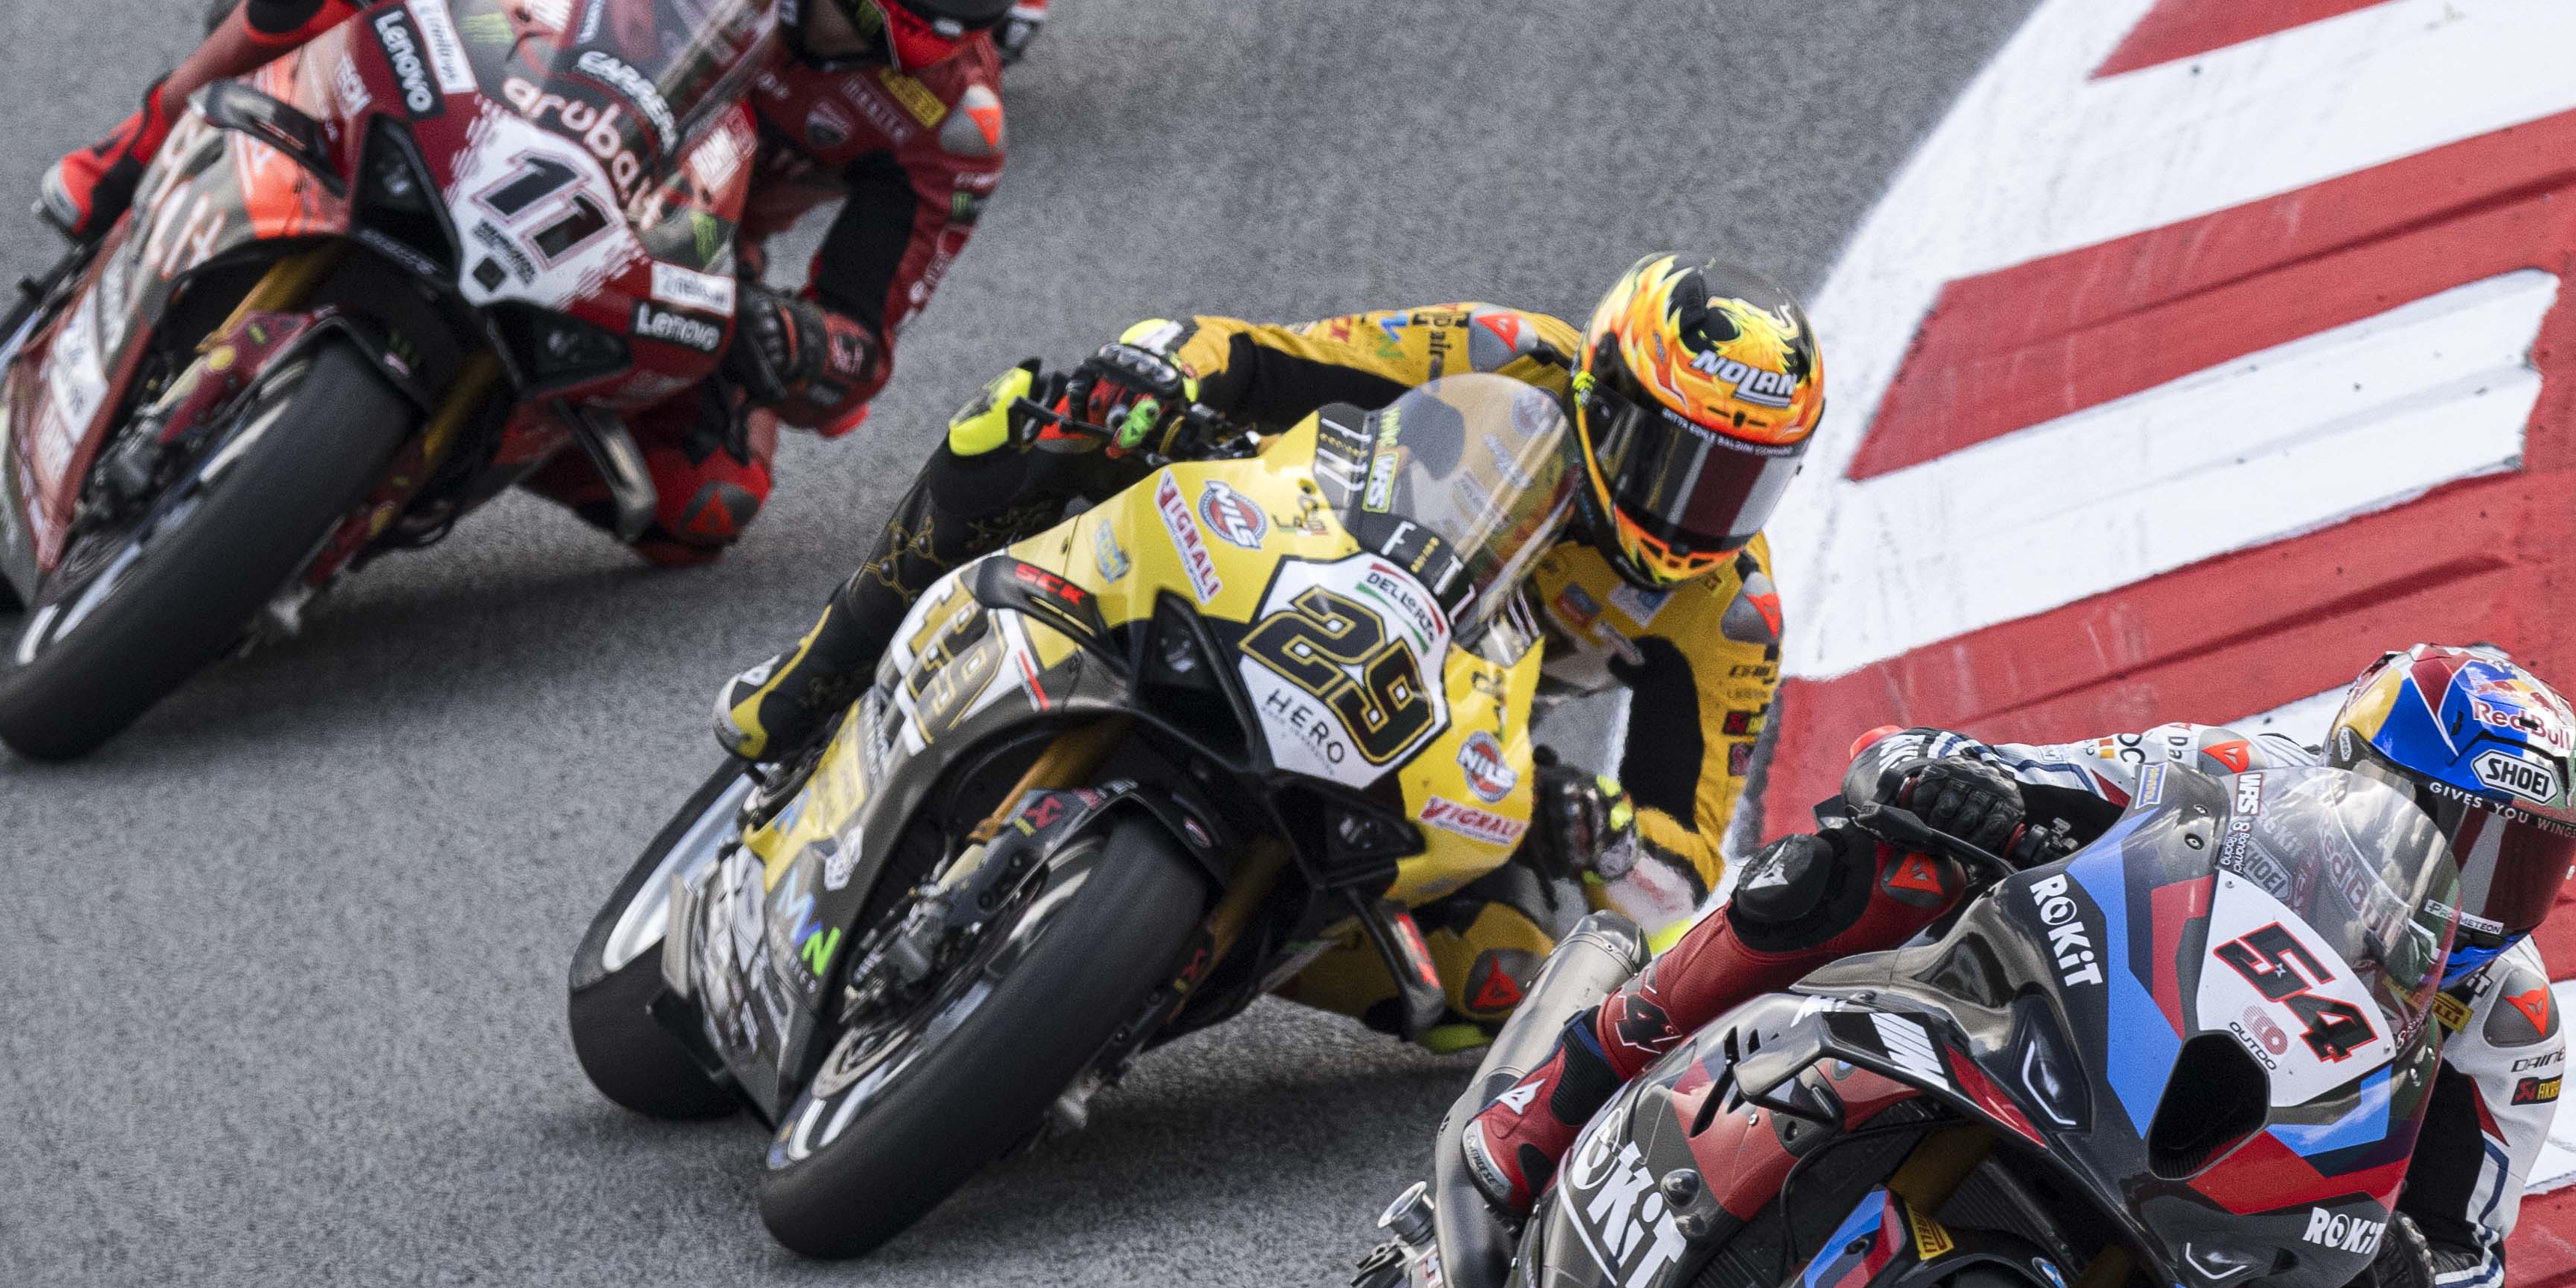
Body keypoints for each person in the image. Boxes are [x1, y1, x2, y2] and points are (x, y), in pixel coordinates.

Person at [1455, 644, 2576, 1288]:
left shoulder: (2509, 1021)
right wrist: (1951, 782)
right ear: (2359, 775)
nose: (2472, 892)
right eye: (2449, 838)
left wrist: (2412, 1282)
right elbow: (2007, 770)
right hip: (2085, 1031)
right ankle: (1565, 1089)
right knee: (1869, 864)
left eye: (2518, 866)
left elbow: (2473, 1277)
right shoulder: (2236, 771)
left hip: (2251, 1190)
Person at [708, 260, 1824, 1038]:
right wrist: (1160, 370)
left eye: (1745, 481)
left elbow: (1684, 868)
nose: (1702, 510)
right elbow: (1267, 358)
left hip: (1447, 722)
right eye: (1680, 460)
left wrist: (1604, 834)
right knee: (1031, 421)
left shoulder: (1729, 614)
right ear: (1603, 395)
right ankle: (813, 677)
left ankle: (1153, 978)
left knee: (1504, 975)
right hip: (1300, 554)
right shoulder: (1502, 354)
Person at [37, 0, 1059, 564]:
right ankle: (139, 147)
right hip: (535, 81)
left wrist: (786, 340)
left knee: (706, 503)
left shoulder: (955, 124)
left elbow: (858, 353)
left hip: (684, 234)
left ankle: (451, 449)